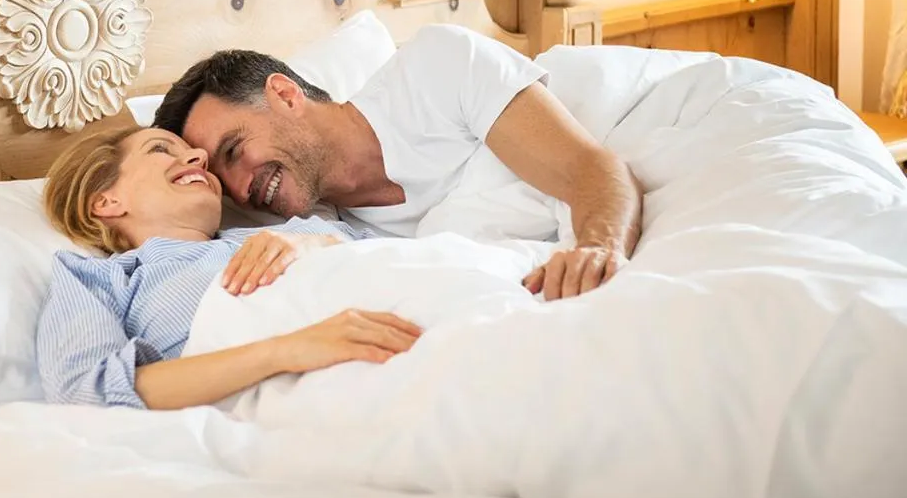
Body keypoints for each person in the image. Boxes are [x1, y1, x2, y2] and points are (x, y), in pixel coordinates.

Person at [153, 24, 644, 302]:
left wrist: (599, 247)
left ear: (284, 94)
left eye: (235, 151)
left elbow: (590, 169)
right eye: (223, 179)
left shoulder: (435, 69)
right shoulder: (323, 236)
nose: (241, 190)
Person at [36, 125, 422, 410]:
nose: (200, 158)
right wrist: (285, 350)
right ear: (106, 201)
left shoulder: (295, 231)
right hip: (332, 387)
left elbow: (404, 260)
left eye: (194, 152)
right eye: (160, 149)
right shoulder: (102, 279)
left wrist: (311, 243)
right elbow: (87, 393)